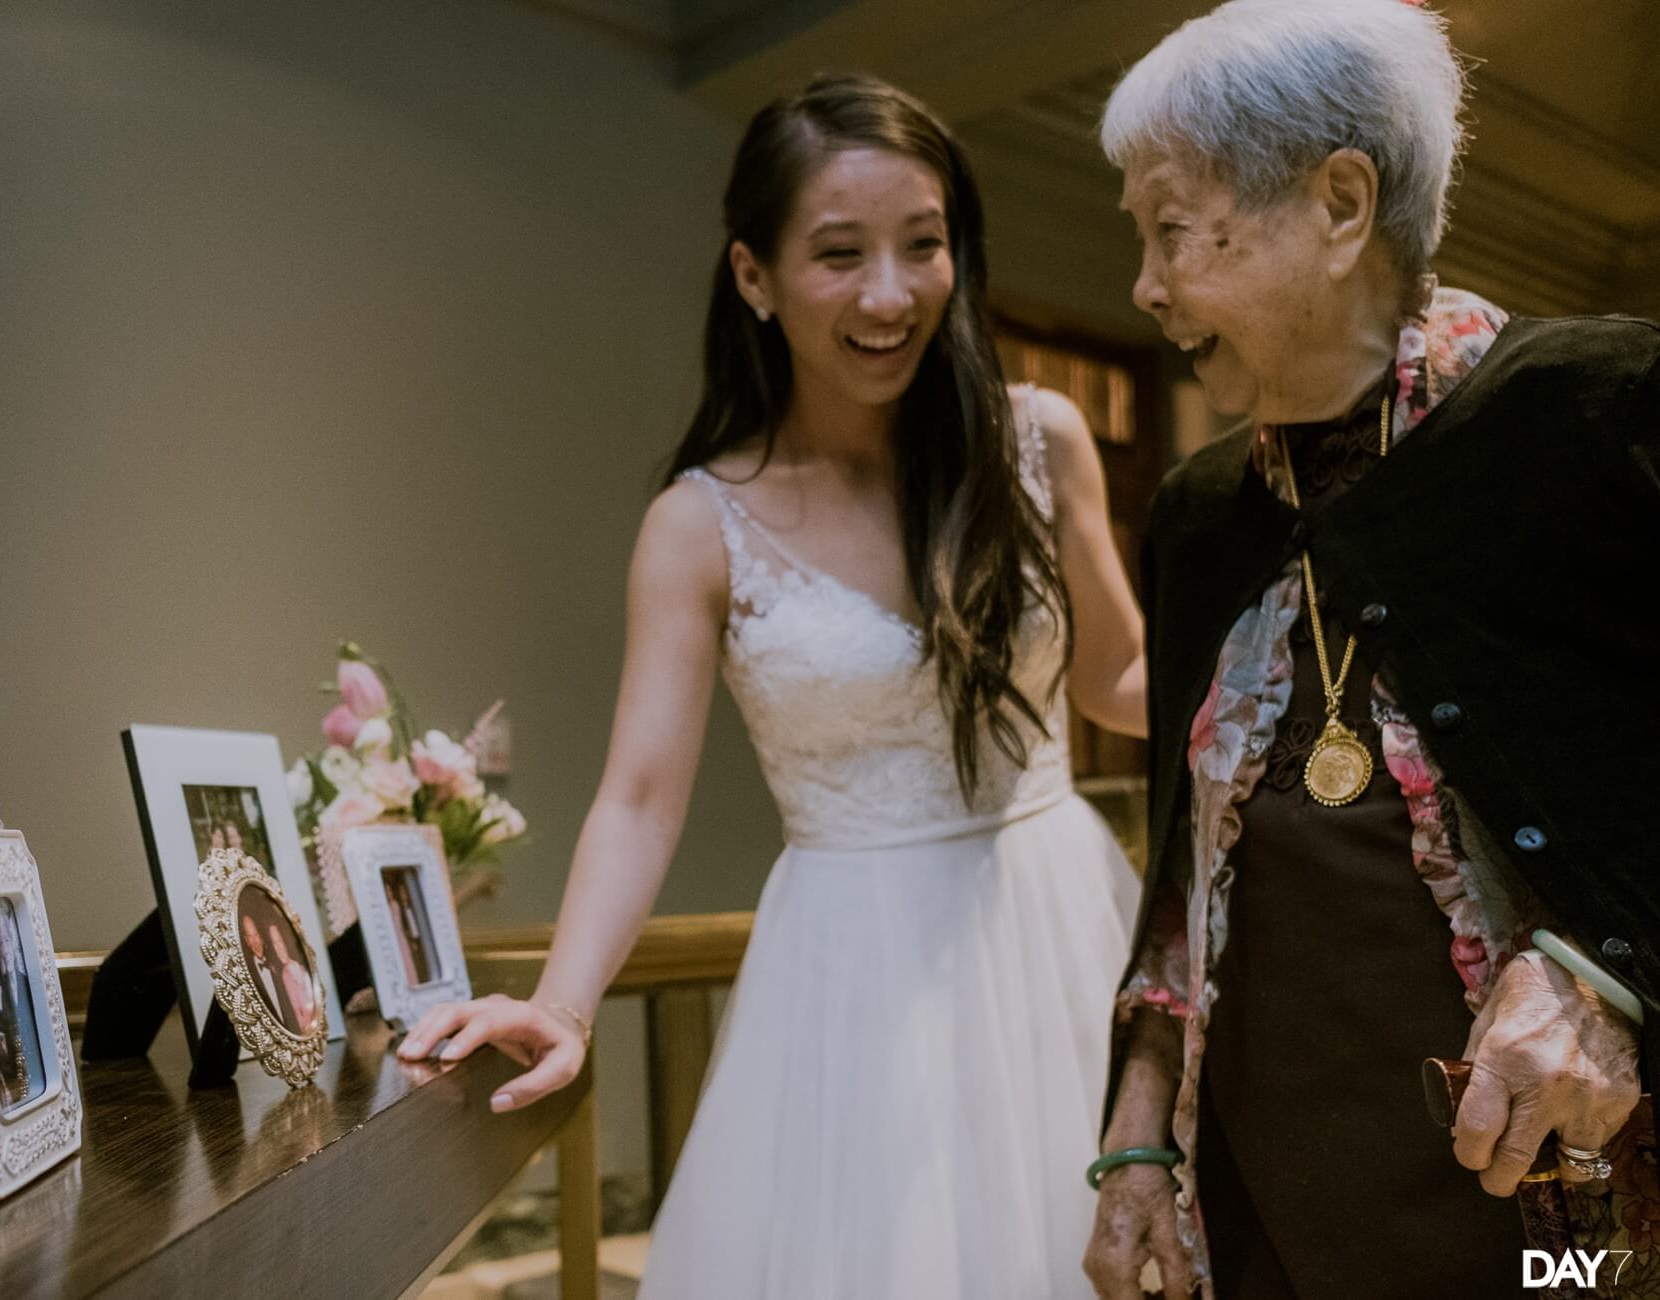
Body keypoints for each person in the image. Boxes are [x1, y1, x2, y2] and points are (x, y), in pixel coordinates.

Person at [399, 73, 1148, 1296]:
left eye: (924, 245)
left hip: (1066, 922)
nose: (891, 295)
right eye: (840, 255)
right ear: (754, 276)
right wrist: (567, 1007)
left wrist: (1300, 673)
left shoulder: (1040, 439)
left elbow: (1119, 675)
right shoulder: (700, 526)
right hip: (853, 980)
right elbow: (639, 799)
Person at [1080, 3, 1658, 1297]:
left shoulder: (1593, 412)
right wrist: (1130, 1147)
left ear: (1338, 204)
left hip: (1553, 1218)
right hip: (1270, 1200)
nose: (1143, 285)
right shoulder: (1196, 514)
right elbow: (1177, 876)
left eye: (1170, 227)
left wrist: (1602, 982)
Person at [240, 911, 297, 1034]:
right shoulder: (245, 976)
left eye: (256, 935)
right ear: (246, 941)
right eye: (250, 936)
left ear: (262, 937)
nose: (254, 941)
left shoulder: (278, 965)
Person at [270, 923, 320, 1035]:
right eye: (274, 943)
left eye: (280, 941)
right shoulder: (284, 975)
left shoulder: (300, 967)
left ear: (285, 941)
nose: (278, 947)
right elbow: (298, 1017)